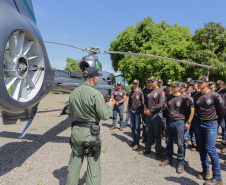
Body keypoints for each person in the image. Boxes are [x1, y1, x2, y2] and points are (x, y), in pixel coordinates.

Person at [66, 67, 115, 185]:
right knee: (93, 166)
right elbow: (104, 115)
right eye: (98, 77)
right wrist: (110, 105)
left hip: (76, 132)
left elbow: (71, 113)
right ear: (94, 78)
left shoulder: (73, 93)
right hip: (91, 134)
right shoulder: (96, 94)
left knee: (74, 164)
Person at [194, 76, 224, 185]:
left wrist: (216, 122)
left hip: (211, 124)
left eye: (201, 82)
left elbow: (221, 111)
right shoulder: (196, 96)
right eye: (198, 82)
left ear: (207, 83)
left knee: (210, 148)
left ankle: (218, 178)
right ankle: (205, 171)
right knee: (201, 148)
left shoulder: (215, 96)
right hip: (199, 123)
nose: (199, 84)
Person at [160, 81, 194, 174]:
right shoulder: (169, 97)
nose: (172, 88)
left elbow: (188, 111)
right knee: (168, 141)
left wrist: (187, 122)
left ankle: (180, 162)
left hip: (179, 123)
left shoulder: (184, 98)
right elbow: (166, 108)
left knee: (180, 143)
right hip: (170, 122)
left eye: (175, 87)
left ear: (179, 88)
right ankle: (168, 159)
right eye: (171, 86)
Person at [139, 76, 165, 159]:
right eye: (150, 81)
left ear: (156, 81)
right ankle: (147, 149)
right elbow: (145, 103)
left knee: (157, 134)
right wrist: (146, 110)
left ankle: (158, 153)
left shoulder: (161, 90)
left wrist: (151, 111)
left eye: (153, 81)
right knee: (148, 133)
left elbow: (161, 104)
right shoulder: (149, 91)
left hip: (156, 115)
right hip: (148, 115)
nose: (151, 83)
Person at [126, 79, 144, 150]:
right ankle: (134, 140)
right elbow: (129, 102)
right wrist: (127, 111)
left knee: (137, 128)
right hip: (131, 111)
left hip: (137, 112)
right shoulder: (131, 92)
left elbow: (142, 103)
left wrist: (142, 112)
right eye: (133, 83)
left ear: (138, 84)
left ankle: (137, 143)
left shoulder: (140, 92)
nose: (134, 85)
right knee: (132, 127)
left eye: (136, 84)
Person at [179, 82, 195, 154]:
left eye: (181, 87)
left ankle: (182, 154)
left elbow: (192, 111)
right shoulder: (176, 96)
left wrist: (188, 122)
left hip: (186, 120)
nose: (179, 88)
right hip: (179, 120)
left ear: (185, 88)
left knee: (185, 139)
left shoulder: (189, 98)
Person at [215, 80, 226, 153]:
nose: (217, 85)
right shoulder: (221, 92)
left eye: (219, 84)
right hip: (221, 112)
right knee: (222, 126)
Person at [141, 78, 153, 143]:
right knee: (144, 125)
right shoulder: (143, 91)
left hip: (152, 111)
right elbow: (142, 101)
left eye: (150, 82)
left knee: (152, 126)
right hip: (145, 110)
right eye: (148, 82)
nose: (149, 83)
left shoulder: (153, 90)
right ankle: (144, 137)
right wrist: (144, 110)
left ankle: (151, 140)